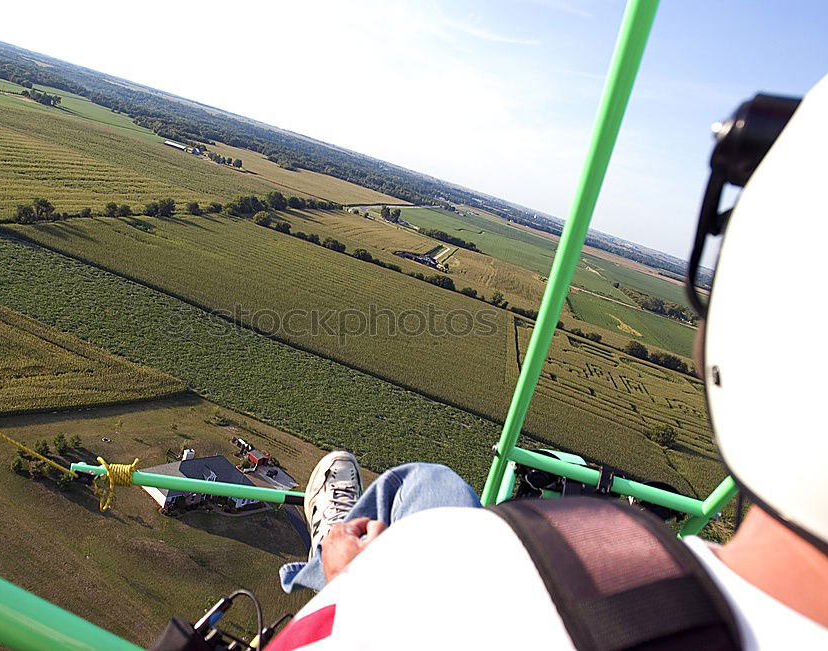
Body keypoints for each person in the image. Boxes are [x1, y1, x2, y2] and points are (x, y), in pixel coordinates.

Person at [266, 78, 828, 650]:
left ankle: (320, 563)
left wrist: (360, 586)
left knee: (408, 496)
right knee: (427, 483)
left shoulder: (442, 570)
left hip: (419, 584)